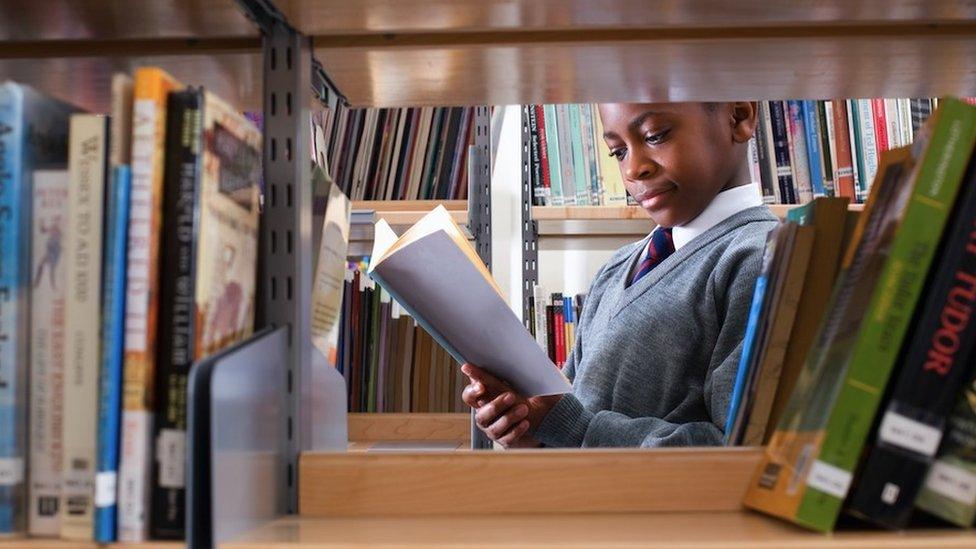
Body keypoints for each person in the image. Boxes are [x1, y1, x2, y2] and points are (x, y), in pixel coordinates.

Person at [461, 102, 778, 448]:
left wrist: (572, 428)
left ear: (739, 117)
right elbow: (572, 416)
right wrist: (531, 426)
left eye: (655, 136)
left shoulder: (759, 259)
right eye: (618, 152)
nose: (633, 170)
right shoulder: (617, 268)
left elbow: (736, 451)